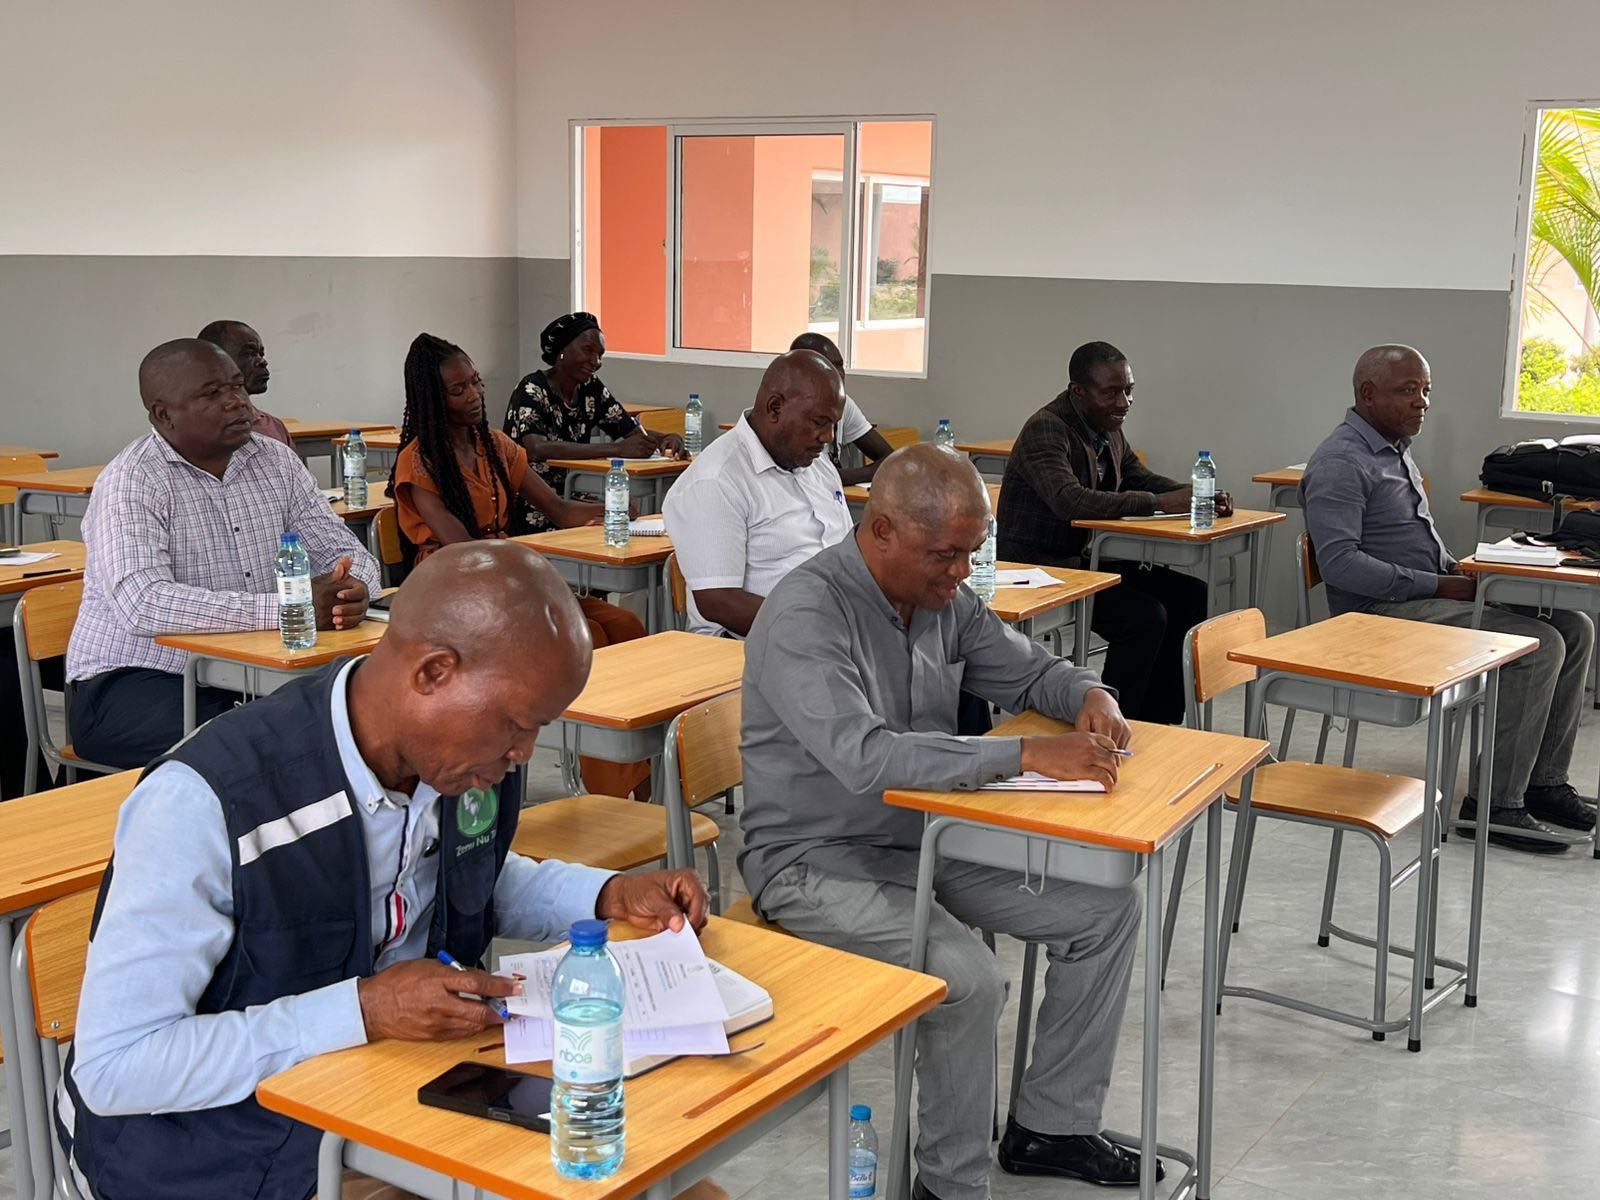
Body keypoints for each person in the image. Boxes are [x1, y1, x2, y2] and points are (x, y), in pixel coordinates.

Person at [57, 541, 710, 1200]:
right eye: (515, 723)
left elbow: (477, 876)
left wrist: (606, 894)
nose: (524, 754)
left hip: (381, 1088)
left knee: (670, 1181)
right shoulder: (207, 801)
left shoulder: (460, 764)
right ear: (432, 674)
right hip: (204, 1142)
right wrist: (365, 1009)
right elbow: (117, 1068)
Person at [741, 444, 1151, 1198]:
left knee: (1105, 911)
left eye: (971, 553)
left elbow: (1030, 670)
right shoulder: (805, 612)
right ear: (882, 530)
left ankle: (1050, 1127)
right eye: (946, 554)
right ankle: (950, 1186)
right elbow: (865, 756)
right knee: (967, 979)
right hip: (815, 860)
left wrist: (1094, 695)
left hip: (925, 836)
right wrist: (1025, 752)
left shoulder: (940, 601)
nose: (962, 572)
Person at [1302, 344, 1596, 853]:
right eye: (1407, 390)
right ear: (1367, 395)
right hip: (1374, 619)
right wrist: (1440, 584)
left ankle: (1542, 783)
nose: (1422, 402)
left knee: (1574, 625)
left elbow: (1411, 539)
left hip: (1420, 598)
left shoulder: (1394, 448)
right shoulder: (1340, 463)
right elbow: (1341, 566)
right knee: (1539, 643)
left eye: (1426, 391)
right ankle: (1494, 804)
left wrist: (1457, 569)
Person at [65, 338, 378, 768]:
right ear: (163, 415)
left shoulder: (276, 462)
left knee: (364, 711)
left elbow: (344, 551)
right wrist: (290, 609)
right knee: (269, 742)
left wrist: (354, 586)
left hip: (251, 668)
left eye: (237, 387)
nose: (237, 403)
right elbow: (143, 602)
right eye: (213, 394)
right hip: (135, 680)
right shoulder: (132, 481)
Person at [391, 332, 652, 802]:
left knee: (625, 624)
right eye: (458, 390)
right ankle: (610, 792)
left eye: (475, 384)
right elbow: (461, 551)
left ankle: (641, 778)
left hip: (508, 580)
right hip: (455, 593)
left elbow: (557, 508)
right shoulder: (419, 462)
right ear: (433, 398)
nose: (474, 396)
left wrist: (612, 511)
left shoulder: (495, 446)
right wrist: (526, 575)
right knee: (587, 640)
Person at [996, 340, 1233, 724]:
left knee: (1192, 595)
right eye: (1111, 392)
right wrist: (1159, 503)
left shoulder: (1106, 426)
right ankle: (1115, 722)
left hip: (1088, 561)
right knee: (1144, 616)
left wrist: (1192, 495)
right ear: (1078, 392)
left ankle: (1160, 720)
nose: (1123, 402)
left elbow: (1136, 478)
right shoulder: (1047, 429)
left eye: (1128, 390)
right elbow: (1069, 501)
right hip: (1041, 566)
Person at [662, 349, 851, 637]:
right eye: (819, 423)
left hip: (831, 629)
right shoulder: (717, 480)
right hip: (750, 643)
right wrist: (818, 628)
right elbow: (719, 602)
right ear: (775, 408)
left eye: (834, 425)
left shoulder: (818, 466)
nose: (828, 438)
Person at [502, 311, 686, 534]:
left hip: (572, 492)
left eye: (600, 354)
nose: (595, 362)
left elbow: (628, 428)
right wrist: (617, 448)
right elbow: (536, 448)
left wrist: (665, 438)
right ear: (562, 350)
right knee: (611, 520)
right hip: (533, 501)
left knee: (627, 511)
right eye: (587, 350)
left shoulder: (591, 388)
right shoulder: (532, 388)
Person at [789, 332, 895, 485]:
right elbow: (804, 478)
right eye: (828, 367)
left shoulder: (844, 404)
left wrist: (836, 476)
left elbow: (889, 459)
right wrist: (870, 472)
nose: (838, 375)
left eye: (839, 366)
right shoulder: (791, 412)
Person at [197, 320, 294, 446]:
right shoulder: (194, 431)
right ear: (213, 360)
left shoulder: (272, 427)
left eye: (261, 354)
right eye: (249, 354)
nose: (262, 361)